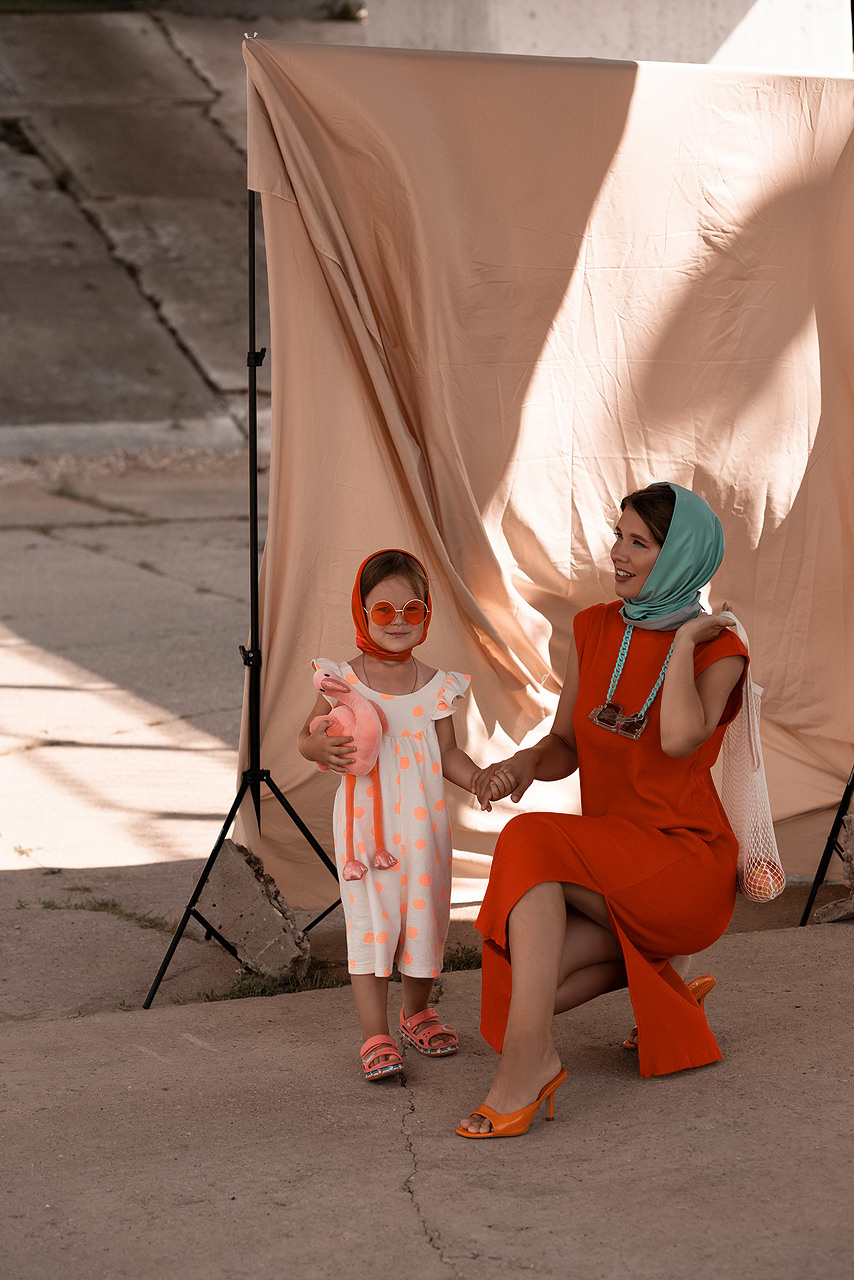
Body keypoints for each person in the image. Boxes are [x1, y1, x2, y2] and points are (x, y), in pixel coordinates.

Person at [457, 482, 748, 1138]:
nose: (616, 553)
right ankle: (660, 985)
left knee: (529, 842)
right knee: (525, 992)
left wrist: (680, 643)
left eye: (637, 543)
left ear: (681, 557)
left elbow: (677, 738)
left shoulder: (720, 649)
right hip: (615, 864)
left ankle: (527, 1070)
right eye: (618, 536)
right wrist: (522, 765)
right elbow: (566, 743)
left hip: (685, 864)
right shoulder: (592, 628)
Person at [298, 549, 486, 1082]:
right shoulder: (342, 681)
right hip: (366, 833)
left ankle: (416, 1012)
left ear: (426, 614)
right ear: (361, 613)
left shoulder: (437, 686)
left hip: (423, 829)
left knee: (424, 917)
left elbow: (448, 753)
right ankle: (374, 1032)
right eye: (383, 611)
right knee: (371, 922)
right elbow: (304, 738)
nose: (399, 621)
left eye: (412, 609)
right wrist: (320, 751)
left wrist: (476, 778)